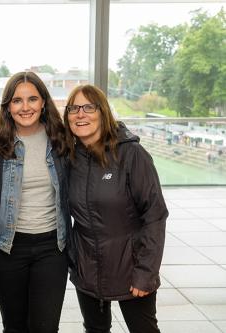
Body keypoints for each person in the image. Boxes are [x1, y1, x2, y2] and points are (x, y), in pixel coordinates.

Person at [63, 84, 168, 333]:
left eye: (89, 107)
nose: (81, 114)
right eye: (74, 108)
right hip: (87, 269)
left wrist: (146, 272)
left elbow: (155, 215)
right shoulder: (69, 157)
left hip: (130, 268)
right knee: (95, 329)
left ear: (103, 112)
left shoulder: (132, 154)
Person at [0, 71, 72, 333]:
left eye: (32, 99)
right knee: (14, 327)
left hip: (52, 247)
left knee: (45, 327)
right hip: (8, 248)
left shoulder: (62, 137)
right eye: (17, 100)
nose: (25, 107)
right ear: (8, 105)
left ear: (43, 102)